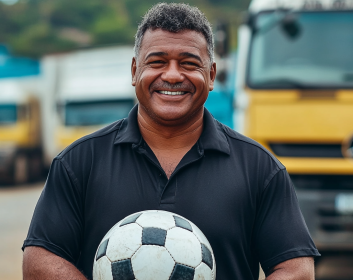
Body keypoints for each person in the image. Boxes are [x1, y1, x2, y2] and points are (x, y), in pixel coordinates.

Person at [22, 3, 320, 280]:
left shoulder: (259, 168)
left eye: (189, 63)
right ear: (134, 70)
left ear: (212, 75)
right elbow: (39, 262)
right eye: (158, 61)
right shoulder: (78, 162)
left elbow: (297, 269)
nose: (173, 75)